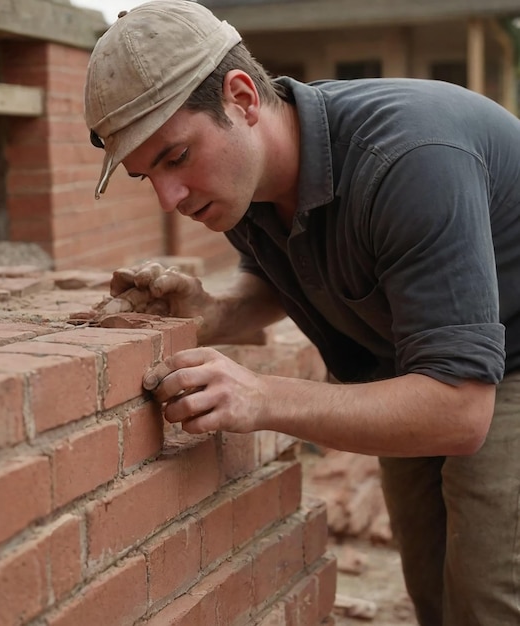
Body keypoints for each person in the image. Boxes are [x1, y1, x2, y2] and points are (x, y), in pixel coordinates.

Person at [83, 1, 520, 624]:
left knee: (486, 602)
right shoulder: (248, 182)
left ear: (241, 98)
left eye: (176, 158)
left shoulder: (409, 162)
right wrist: (217, 312)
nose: (169, 198)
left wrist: (264, 400)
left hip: (492, 371)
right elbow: (283, 275)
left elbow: (460, 409)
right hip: (410, 360)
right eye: (144, 175)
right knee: (432, 588)